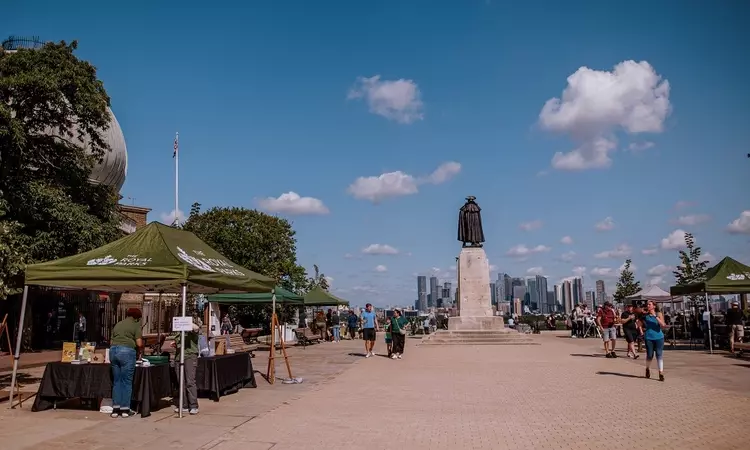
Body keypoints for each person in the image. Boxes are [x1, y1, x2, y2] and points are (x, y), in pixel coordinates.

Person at [109, 308, 143, 418]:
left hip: (113, 351)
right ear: (136, 317)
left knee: (117, 381)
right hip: (127, 352)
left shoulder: (118, 324)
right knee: (126, 381)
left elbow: (111, 341)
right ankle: (125, 409)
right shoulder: (135, 325)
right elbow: (139, 343)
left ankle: (115, 409)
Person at [173, 318, 200, 415]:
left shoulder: (191, 331)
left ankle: (193, 405)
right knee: (181, 382)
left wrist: (187, 323)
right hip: (178, 357)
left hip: (189, 356)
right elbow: (177, 342)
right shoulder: (178, 332)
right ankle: (184, 405)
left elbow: (196, 329)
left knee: (190, 381)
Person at [641, 300, 666, 381]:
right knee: (650, 355)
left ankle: (661, 372)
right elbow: (638, 322)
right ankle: (647, 368)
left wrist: (655, 316)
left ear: (654, 306)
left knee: (659, 354)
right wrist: (641, 329)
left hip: (659, 337)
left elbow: (663, 325)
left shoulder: (659, 314)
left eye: (649, 304)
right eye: (647, 304)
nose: (648, 306)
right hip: (649, 337)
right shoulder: (645, 315)